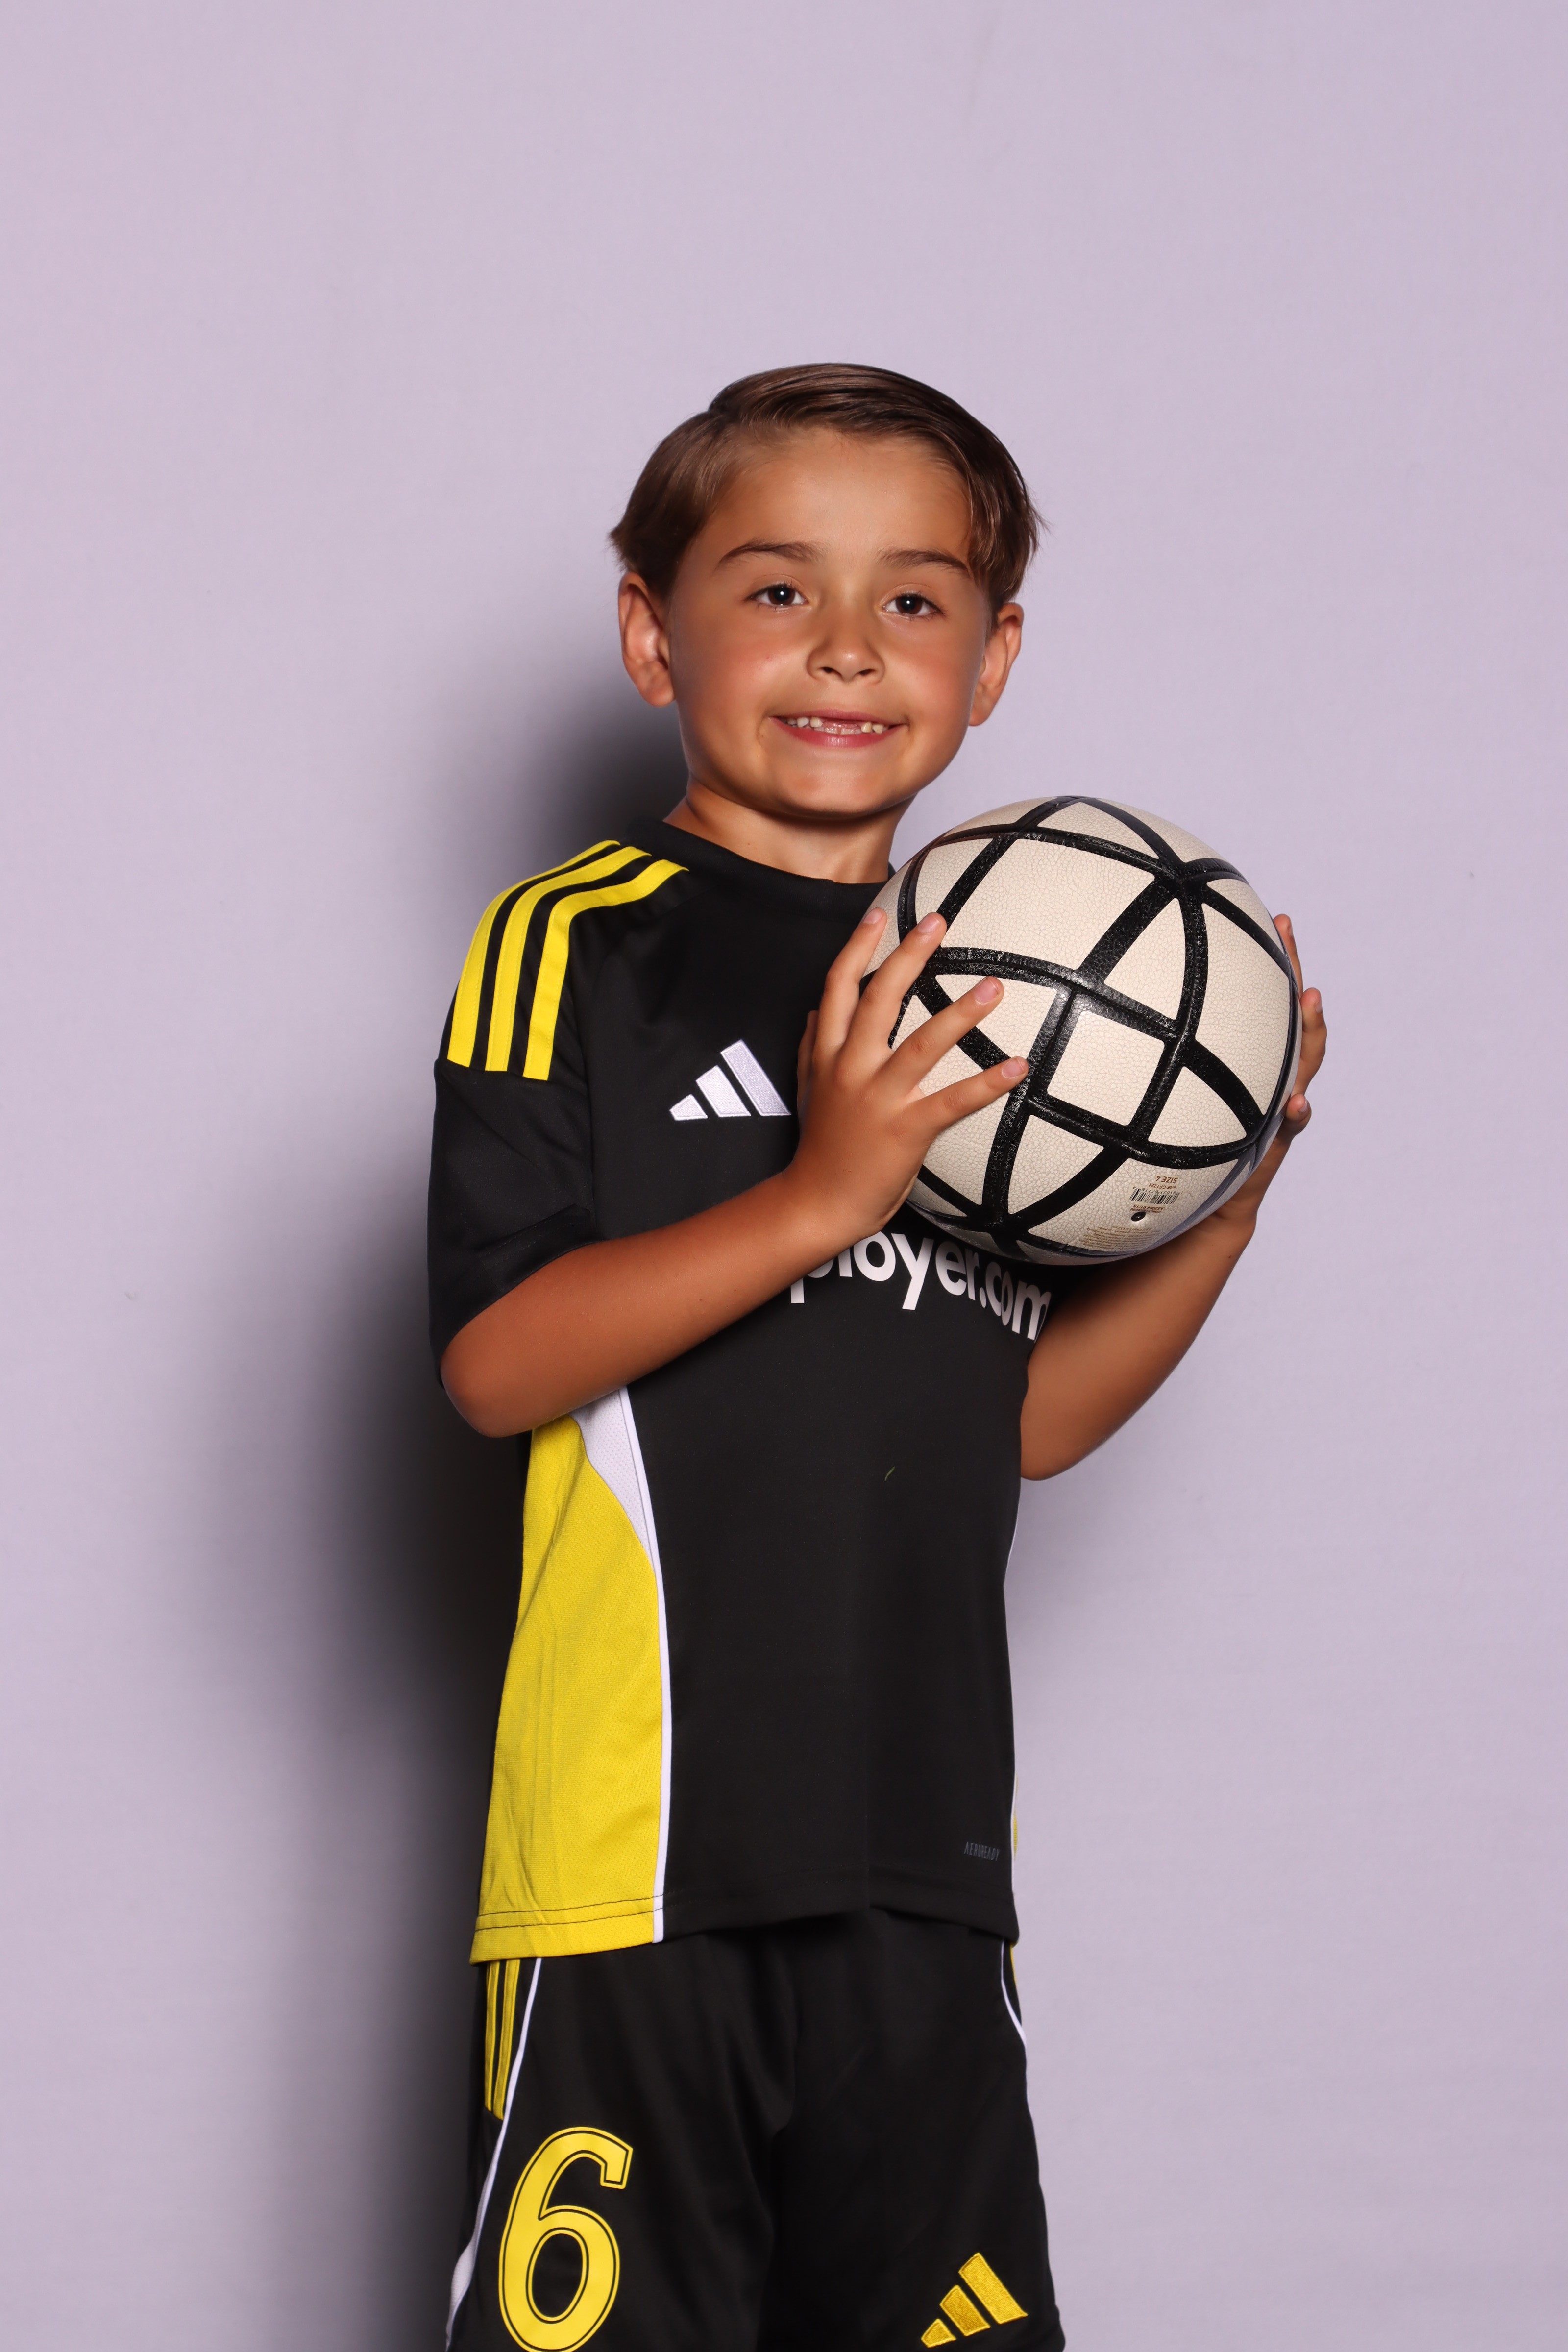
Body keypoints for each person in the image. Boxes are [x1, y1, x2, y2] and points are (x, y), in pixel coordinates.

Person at [428, 363, 1325, 2352]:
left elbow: (1022, 1424)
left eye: (914, 599)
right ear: (651, 634)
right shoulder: (584, 941)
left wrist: (1221, 1204)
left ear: (991, 660)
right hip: (636, 1871)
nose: (847, 647)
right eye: (776, 590)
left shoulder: (1025, 992)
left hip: (924, 1871)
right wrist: (824, 1194)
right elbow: (496, 1364)